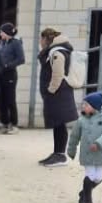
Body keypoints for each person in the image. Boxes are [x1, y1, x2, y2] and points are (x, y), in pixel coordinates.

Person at [67, 91, 102, 203]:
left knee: (99, 177)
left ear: (95, 106)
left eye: (86, 105)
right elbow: (74, 135)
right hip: (87, 152)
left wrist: (99, 143)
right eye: (83, 105)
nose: (83, 107)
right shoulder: (82, 119)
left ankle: (83, 193)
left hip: (101, 153)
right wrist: (71, 150)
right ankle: (87, 202)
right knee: (90, 175)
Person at [38, 27, 79, 165]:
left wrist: (51, 90)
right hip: (58, 94)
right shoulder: (56, 51)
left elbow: (58, 74)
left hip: (58, 94)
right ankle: (57, 153)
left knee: (60, 124)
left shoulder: (57, 53)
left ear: (45, 39)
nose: (40, 42)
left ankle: (61, 155)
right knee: (58, 124)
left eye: (41, 39)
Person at [0, 21, 25, 133]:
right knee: (1, 99)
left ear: (7, 32)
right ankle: (5, 123)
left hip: (10, 74)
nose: (0, 34)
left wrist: (7, 65)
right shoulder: (2, 43)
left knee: (10, 99)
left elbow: (21, 59)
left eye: (2, 32)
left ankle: (14, 124)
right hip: (0, 74)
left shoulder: (16, 43)